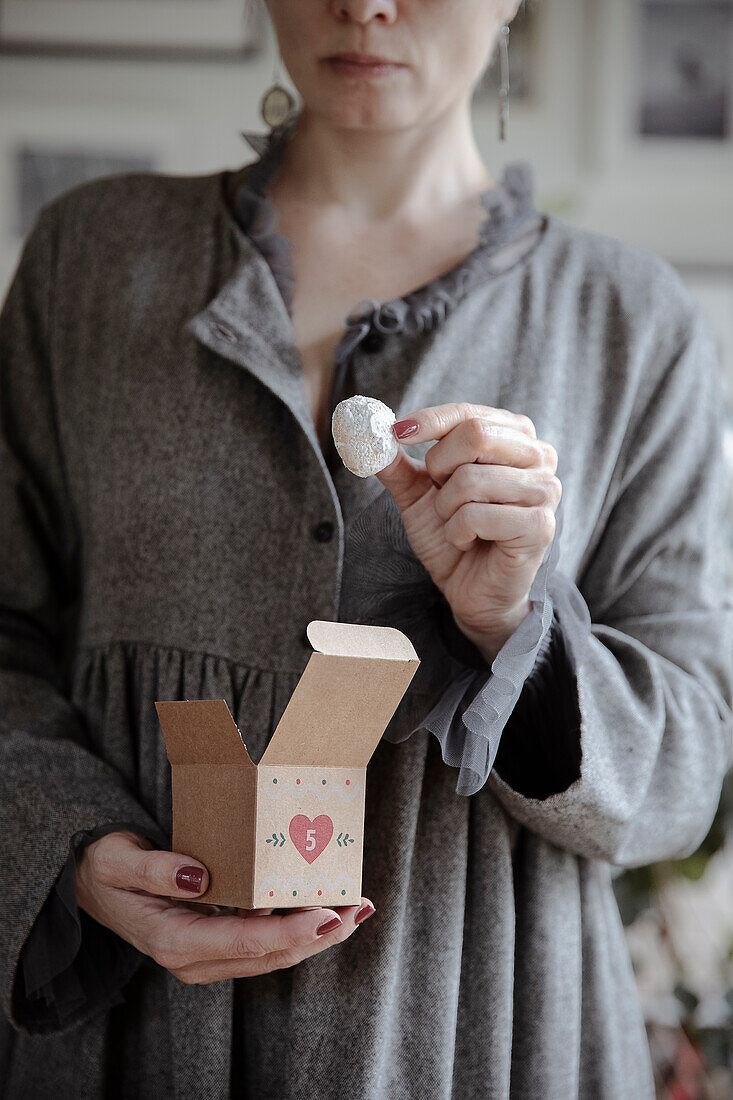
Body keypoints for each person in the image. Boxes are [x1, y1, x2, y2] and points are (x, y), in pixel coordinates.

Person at [0, 1, 731, 1097]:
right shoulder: (89, 260)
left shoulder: (631, 320)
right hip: (131, 1033)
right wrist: (74, 850)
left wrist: (506, 627)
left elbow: (683, 771)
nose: (366, 3)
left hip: (485, 1036)